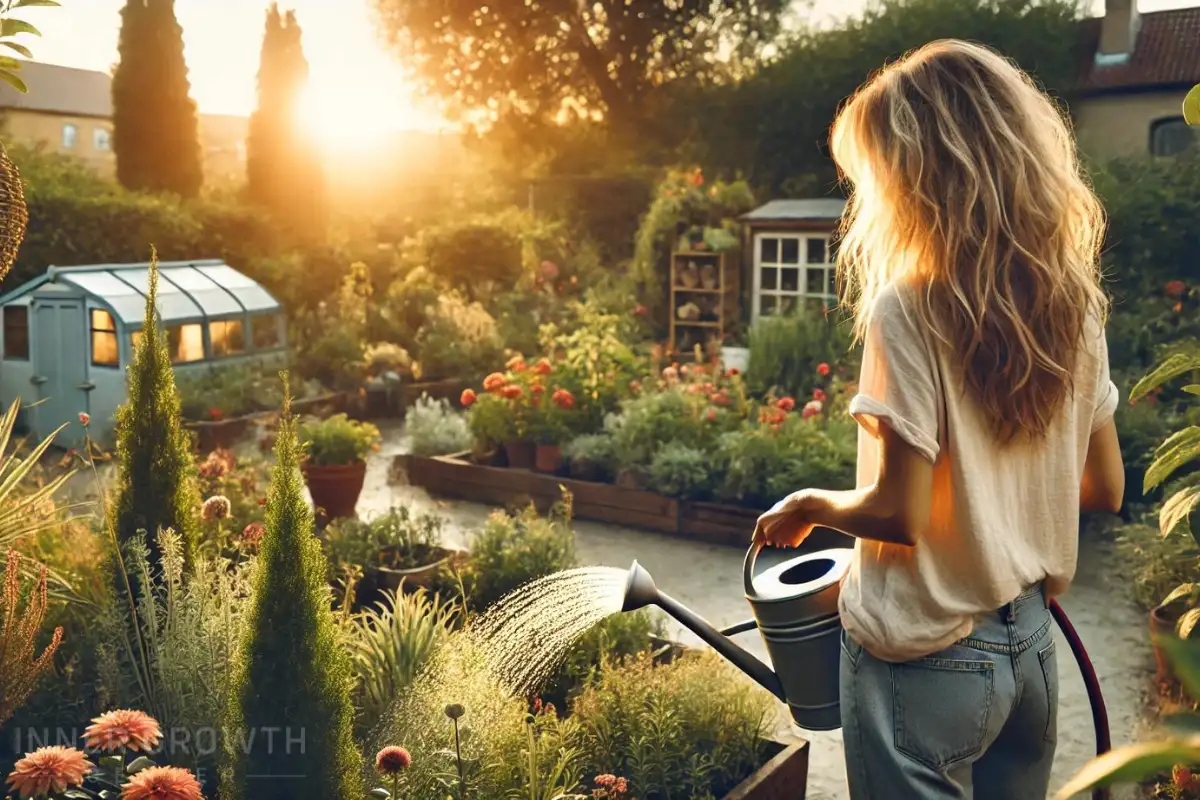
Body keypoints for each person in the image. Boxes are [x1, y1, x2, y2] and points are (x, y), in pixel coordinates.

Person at [753, 39, 1125, 799]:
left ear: (924, 174)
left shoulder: (912, 307)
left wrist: (811, 505)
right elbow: (1105, 487)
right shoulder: (1076, 304)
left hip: (925, 658)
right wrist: (1007, 508)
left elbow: (899, 513)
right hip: (1030, 648)